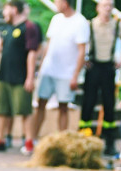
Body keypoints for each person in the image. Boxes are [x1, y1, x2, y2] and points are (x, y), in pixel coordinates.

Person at [30, 0, 88, 154]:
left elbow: (82, 51)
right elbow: (49, 44)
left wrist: (75, 75)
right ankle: (32, 140)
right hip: (49, 71)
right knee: (40, 103)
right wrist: (41, 67)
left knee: (63, 107)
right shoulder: (56, 19)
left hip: (66, 73)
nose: (55, 3)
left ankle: (62, 143)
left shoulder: (80, 22)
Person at [78, 0, 121, 156]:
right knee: (88, 103)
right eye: (104, 6)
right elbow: (80, 43)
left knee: (109, 105)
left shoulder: (117, 25)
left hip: (108, 67)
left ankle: (109, 142)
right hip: (93, 66)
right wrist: (83, 59)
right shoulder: (90, 24)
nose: (107, 9)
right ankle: (84, 139)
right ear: (98, 8)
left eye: (110, 6)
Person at [0, 0, 38, 152]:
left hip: (21, 77)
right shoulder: (7, 27)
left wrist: (30, 77)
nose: (4, 13)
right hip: (4, 76)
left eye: (6, 9)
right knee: (1, 110)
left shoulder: (29, 27)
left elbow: (32, 53)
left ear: (14, 10)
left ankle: (29, 142)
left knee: (24, 111)